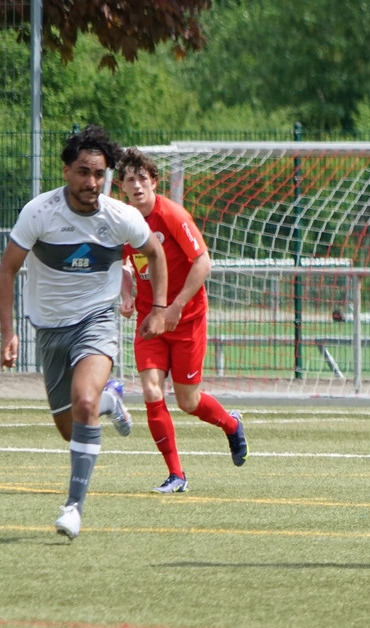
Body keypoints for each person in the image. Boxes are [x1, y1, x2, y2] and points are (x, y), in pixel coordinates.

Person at [0, 124, 170, 540]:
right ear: (66, 172)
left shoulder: (121, 217)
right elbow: (7, 270)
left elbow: (155, 252)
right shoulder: (39, 212)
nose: (92, 182)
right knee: (71, 426)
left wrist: (160, 309)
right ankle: (111, 401)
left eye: (99, 173)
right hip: (49, 328)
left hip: (96, 320)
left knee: (84, 401)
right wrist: (8, 332)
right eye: (83, 172)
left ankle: (73, 506)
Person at [116, 147, 248, 493]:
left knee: (188, 401)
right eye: (130, 179)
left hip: (185, 319)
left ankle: (231, 424)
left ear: (154, 182)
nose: (137, 185)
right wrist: (127, 293)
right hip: (150, 321)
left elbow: (203, 263)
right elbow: (124, 264)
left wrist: (174, 307)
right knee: (150, 389)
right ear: (122, 188)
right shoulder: (124, 222)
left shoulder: (172, 215)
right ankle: (177, 475)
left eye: (142, 178)